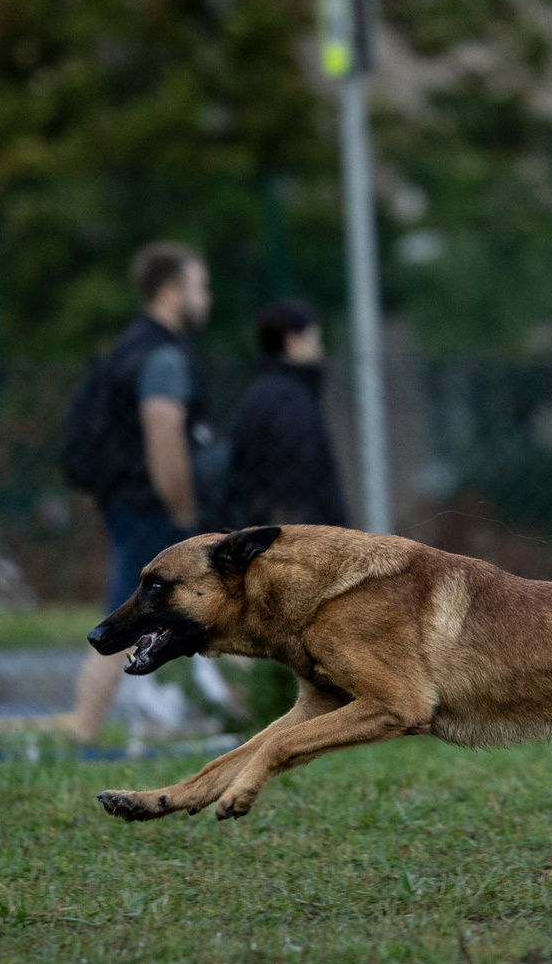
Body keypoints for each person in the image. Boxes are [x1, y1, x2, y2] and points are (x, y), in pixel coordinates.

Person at [71, 242, 212, 742]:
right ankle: (84, 733)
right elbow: (164, 436)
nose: (206, 297)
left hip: (125, 499)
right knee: (124, 613)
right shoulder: (162, 357)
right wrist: (185, 515)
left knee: (144, 613)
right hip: (151, 506)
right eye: (200, 286)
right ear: (172, 291)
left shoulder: (129, 346)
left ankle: (133, 723)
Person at [224, 299, 351, 530]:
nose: (320, 350)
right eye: (314, 339)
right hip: (302, 537)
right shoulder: (290, 399)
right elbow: (297, 478)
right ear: (292, 342)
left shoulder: (261, 392)